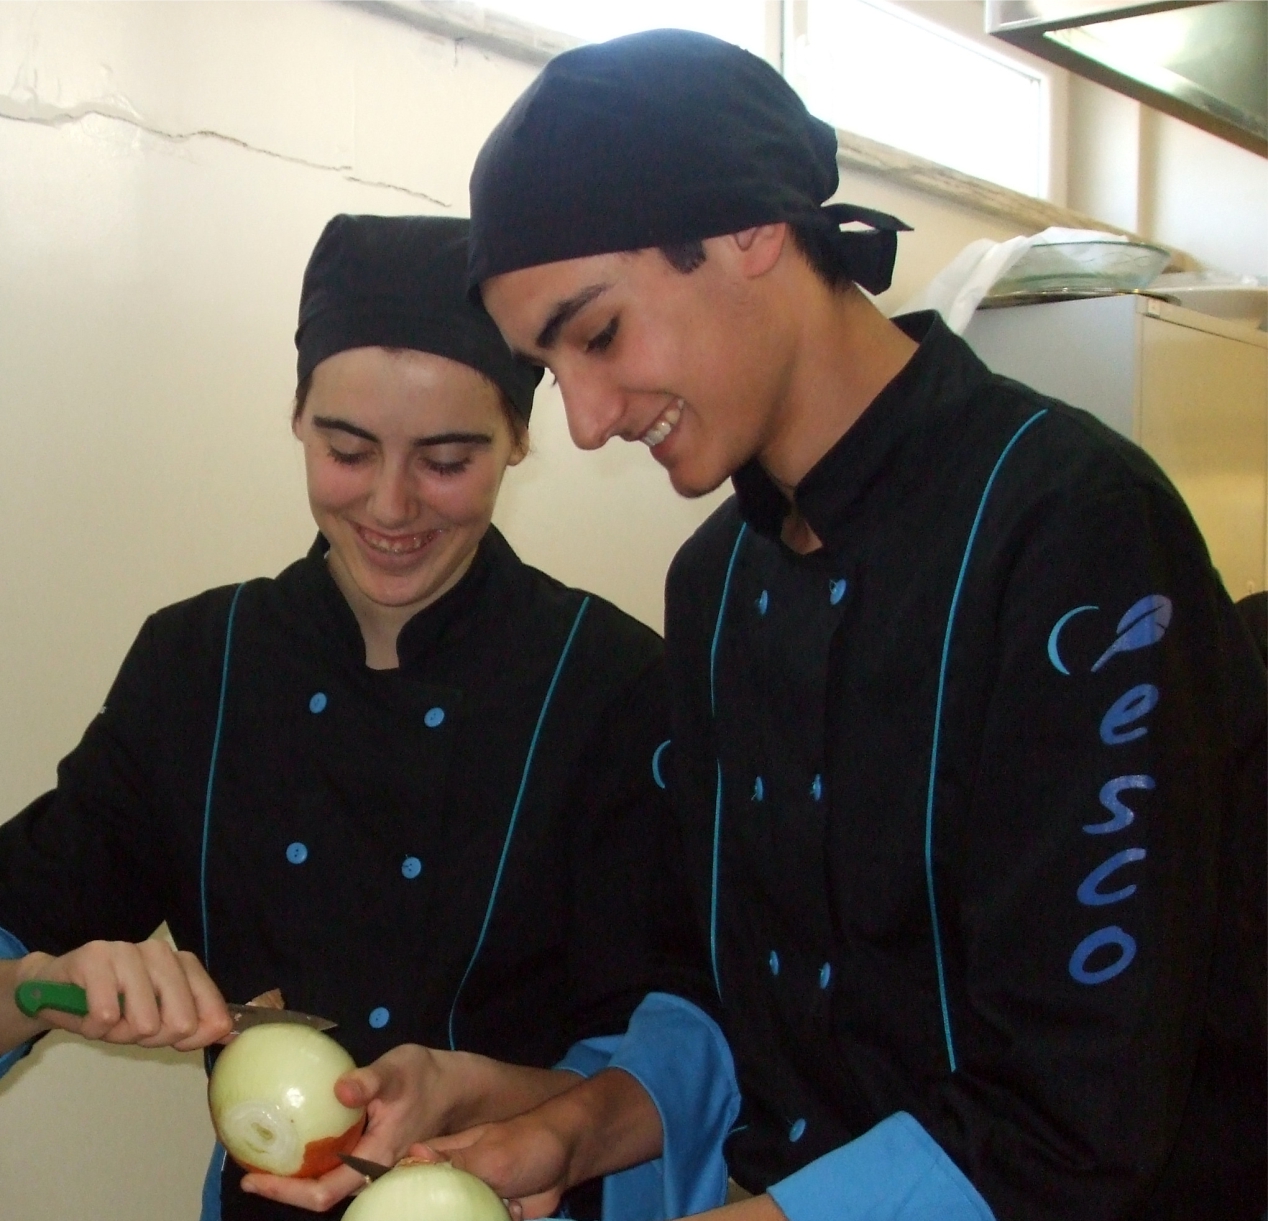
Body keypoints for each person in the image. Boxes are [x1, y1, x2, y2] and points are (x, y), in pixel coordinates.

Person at [406, 29, 1267, 1221]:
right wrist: (569, 1128)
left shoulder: (1069, 528)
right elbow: (733, 996)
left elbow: (1076, 1106)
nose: (591, 420)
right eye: (551, 372)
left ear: (752, 229)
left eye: (596, 334)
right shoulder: (714, 588)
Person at [0, 213, 682, 1221]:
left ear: (518, 439)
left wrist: (503, 1101)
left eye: (447, 460)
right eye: (348, 450)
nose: (392, 508)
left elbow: (669, 1059)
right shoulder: (200, 665)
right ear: (296, 418)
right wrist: (45, 984)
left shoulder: (615, 686)